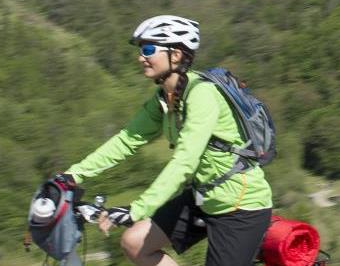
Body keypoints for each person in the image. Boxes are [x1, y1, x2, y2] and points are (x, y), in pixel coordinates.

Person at [61, 15, 275, 266]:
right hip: (202, 198)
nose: (141, 57)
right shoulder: (165, 98)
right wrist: (71, 176)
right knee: (134, 243)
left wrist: (137, 209)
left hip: (240, 208)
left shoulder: (202, 94)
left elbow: (184, 162)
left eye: (149, 49)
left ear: (176, 55)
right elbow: (127, 140)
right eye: (141, 49)